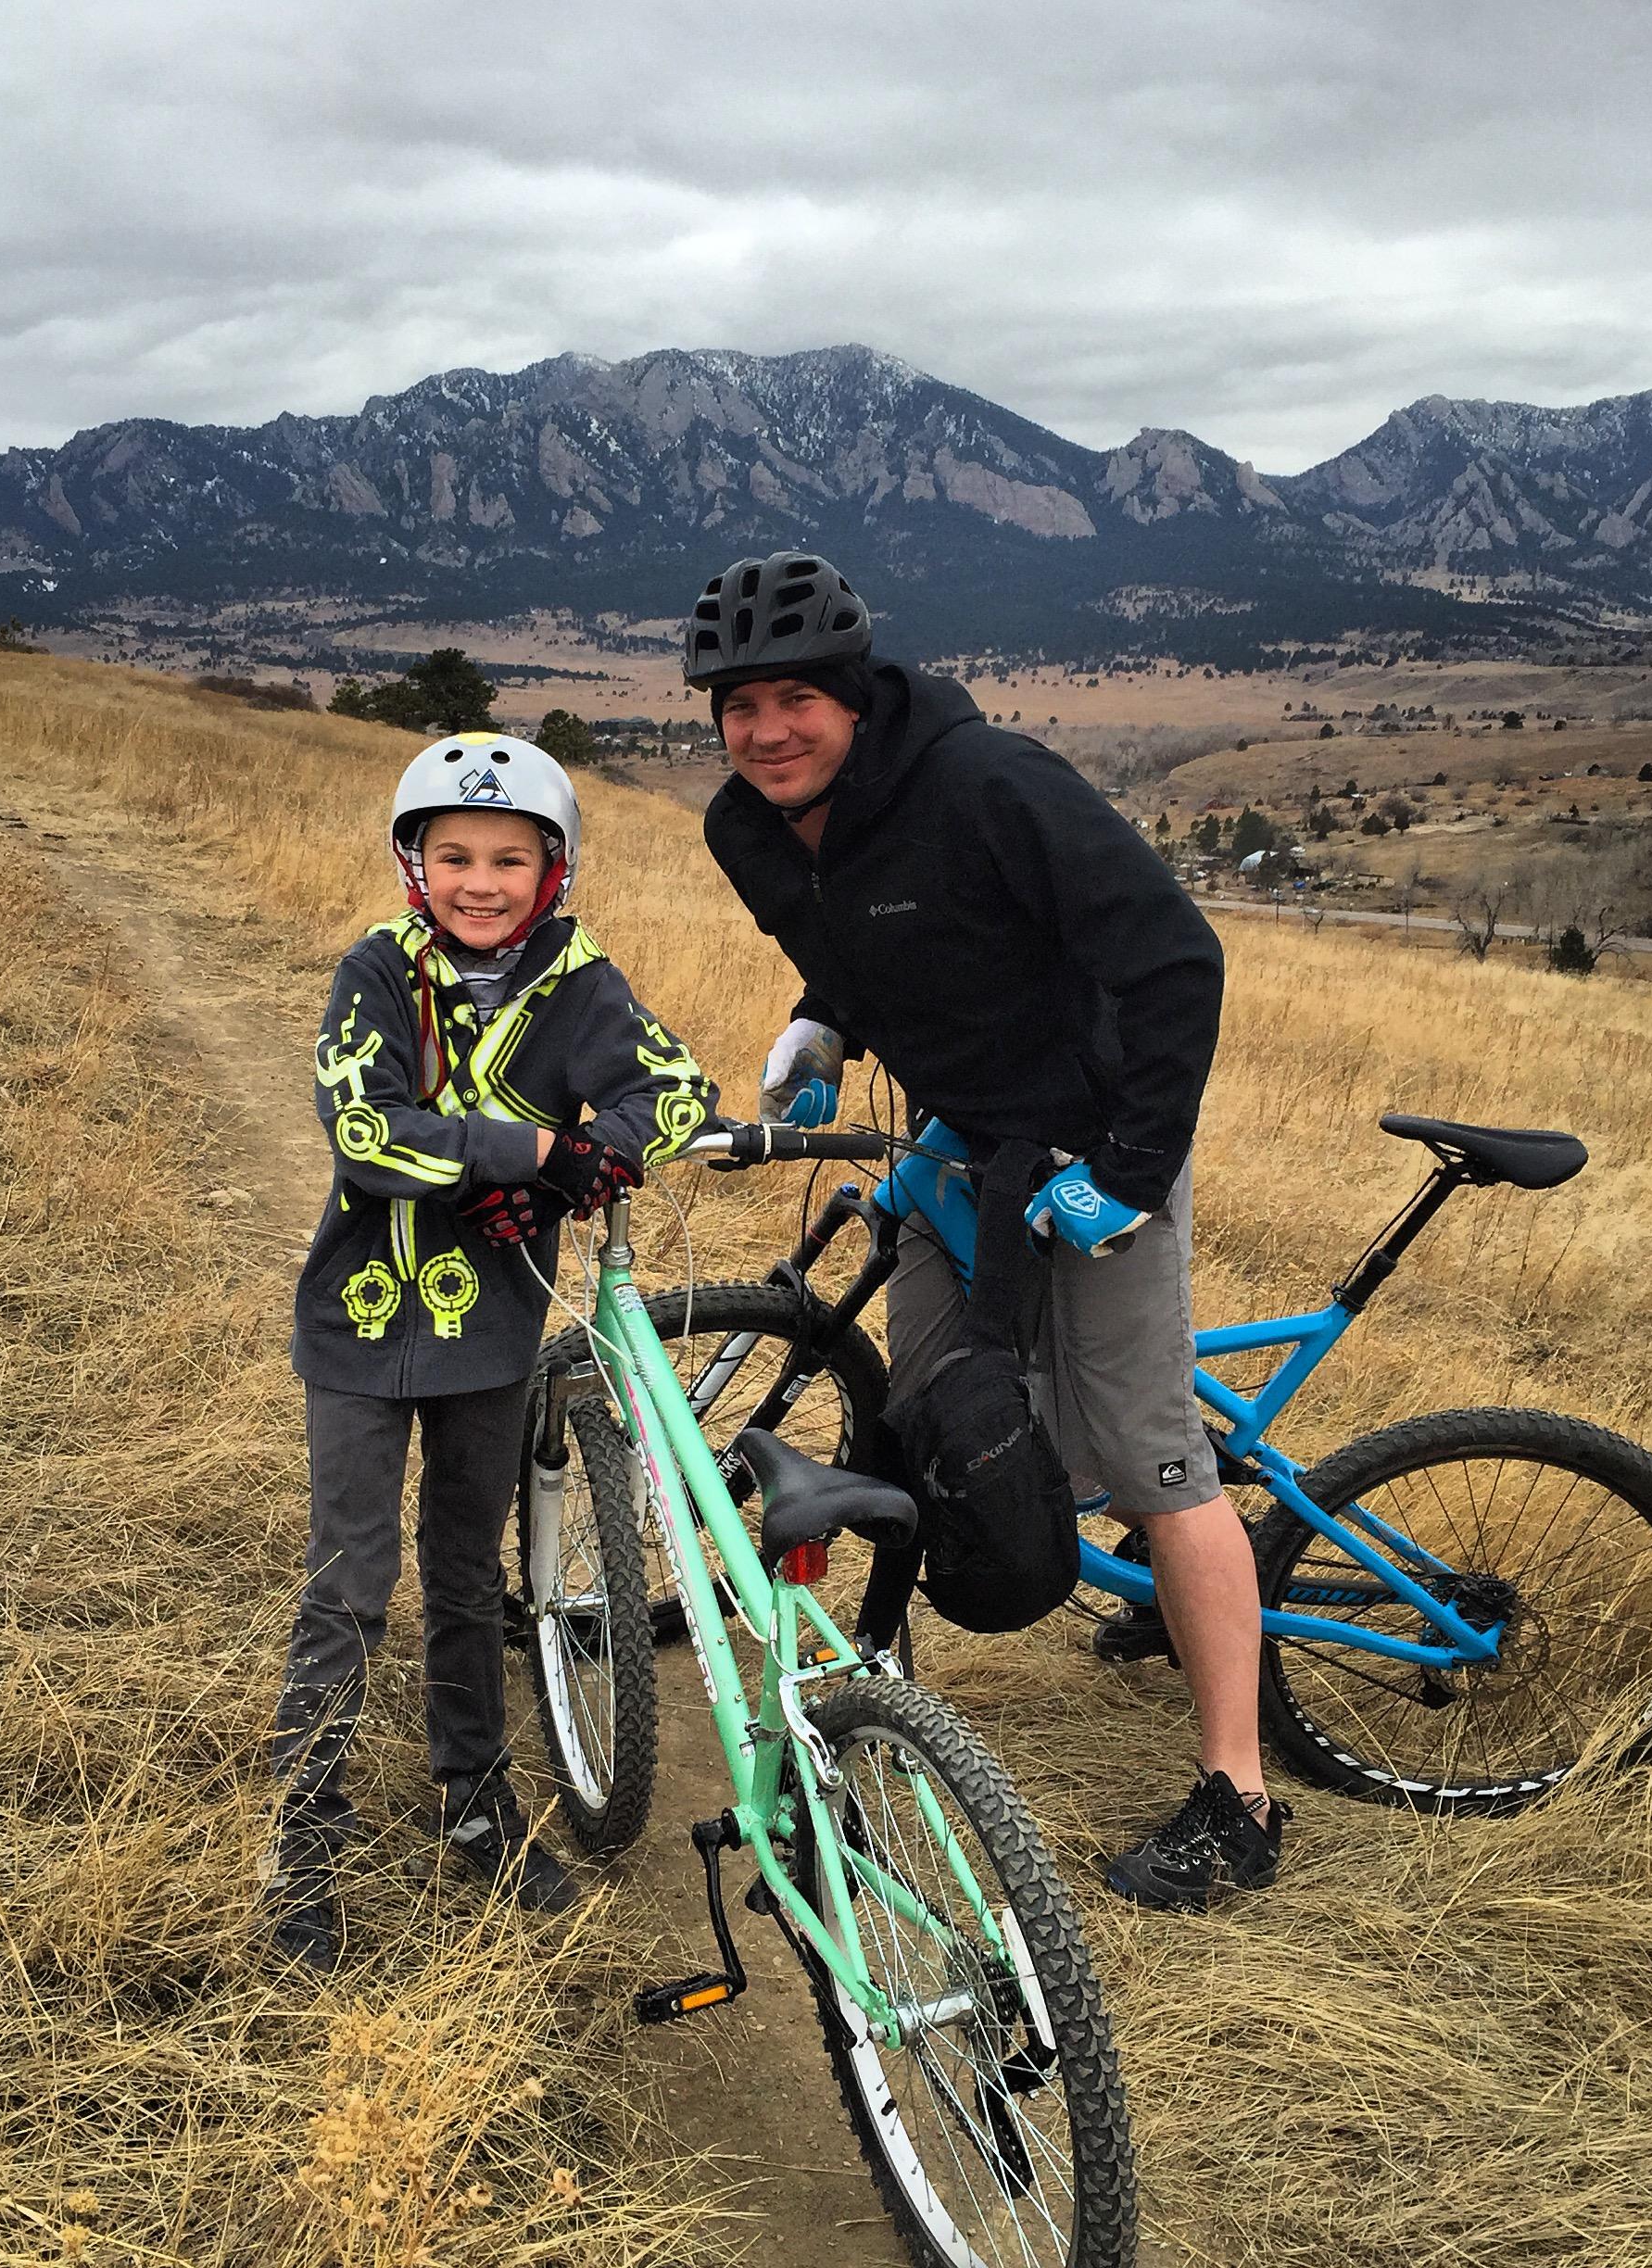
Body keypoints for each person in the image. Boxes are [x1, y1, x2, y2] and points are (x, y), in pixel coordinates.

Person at [687, 550, 1289, 1912]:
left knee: (1151, 1463)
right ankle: (883, 1713)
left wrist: (1131, 1171)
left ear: (857, 694)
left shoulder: (987, 785)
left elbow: (1176, 958)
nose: (769, 731)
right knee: (927, 1418)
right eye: (740, 706)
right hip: (961, 1140)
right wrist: (828, 1021)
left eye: (797, 699)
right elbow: (860, 942)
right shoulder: (748, 830)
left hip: (1090, 1138)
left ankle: (1240, 1796)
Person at [264, 732, 715, 1970]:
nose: (479, 881)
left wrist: (605, 1148)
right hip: (359, 1322)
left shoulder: (579, 977)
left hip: (489, 1327)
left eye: (509, 859)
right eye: (452, 855)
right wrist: (534, 1153)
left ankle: (474, 1800)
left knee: (469, 1578)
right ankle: (301, 1834)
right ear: (415, 864)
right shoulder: (376, 971)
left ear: (552, 867)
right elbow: (367, 1134)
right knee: (349, 1585)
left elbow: (670, 1089)